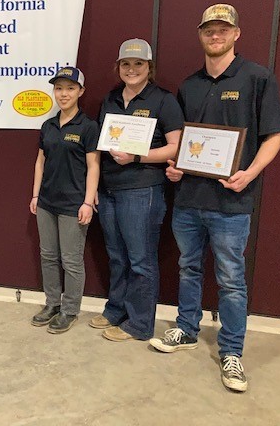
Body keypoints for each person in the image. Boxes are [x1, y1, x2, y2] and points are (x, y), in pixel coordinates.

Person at [149, 4, 280, 392]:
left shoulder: (258, 77)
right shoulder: (188, 86)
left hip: (231, 203)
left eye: (223, 29)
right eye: (209, 29)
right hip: (189, 199)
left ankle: (232, 352)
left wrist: (250, 173)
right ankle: (187, 328)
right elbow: (185, 144)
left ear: (236, 33)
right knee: (189, 268)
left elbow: (275, 135)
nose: (215, 35)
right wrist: (175, 168)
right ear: (201, 34)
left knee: (231, 280)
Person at [91, 39, 184, 342]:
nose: (132, 70)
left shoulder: (163, 101)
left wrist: (137, 157)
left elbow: (176, 146)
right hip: (110, 189)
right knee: (117, 256)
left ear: (149, 67)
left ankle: (140, 323)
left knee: (141, 259)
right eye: (126, 64)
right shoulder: (111, 99)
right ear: (118, 67)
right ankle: (117, 309)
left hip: (142, 191)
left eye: (138, 64)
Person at [29, 67, 100, 334]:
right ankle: (52, 304)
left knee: (71, 260)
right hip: (47, 202)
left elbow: (94, 166)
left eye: (70, 88)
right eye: (59, 88)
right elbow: (40, 161)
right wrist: (36, 194)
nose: (64, 94)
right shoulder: (48, 125)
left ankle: (70, 310)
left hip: (73, 205)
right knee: (48, 256)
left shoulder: (89, 126)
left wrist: (87, 201)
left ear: (81, 91)